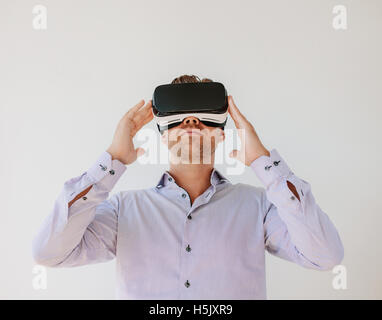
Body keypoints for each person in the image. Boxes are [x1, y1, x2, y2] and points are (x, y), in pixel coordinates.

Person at [32, 75, 344, 299]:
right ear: (162, 134)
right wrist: (112, 161)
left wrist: (262, 161)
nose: (192, 123)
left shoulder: (259, 208)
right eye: (180, 117)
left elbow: (325, 255)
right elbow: (48, 252)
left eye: (204, 117)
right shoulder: (123, 212)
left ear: (222, 133)